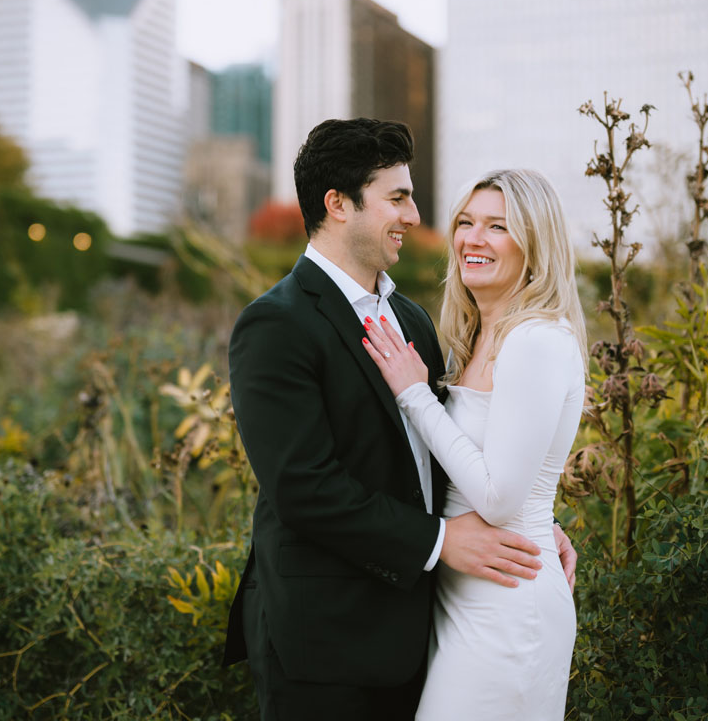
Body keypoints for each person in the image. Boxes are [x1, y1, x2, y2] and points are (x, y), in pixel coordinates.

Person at [222, 120, 577, 721]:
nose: (415, 217)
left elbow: (441, 454)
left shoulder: (412, 322)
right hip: (324, 638)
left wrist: (527, 521)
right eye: (398, 198)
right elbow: (303, 487)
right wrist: (443, 539)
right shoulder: (276, 325)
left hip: (421, 630)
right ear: (338, 205)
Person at [360, 168, 586, 719]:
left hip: (509, 603)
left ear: (535, 245)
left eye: (497, 227)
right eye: (465, 222)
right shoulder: (476, 337)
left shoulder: (535, 341)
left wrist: (416, 396)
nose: (472, 239)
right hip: (462, 596)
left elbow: (501, 498)